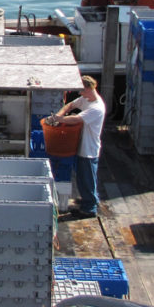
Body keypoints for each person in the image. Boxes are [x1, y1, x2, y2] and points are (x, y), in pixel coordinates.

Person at [50, 75, 106, 218]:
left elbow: (76, 118)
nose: (79, 93)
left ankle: (90, 208)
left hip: (89, 150)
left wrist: (59, 119)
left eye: (81, 90)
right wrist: (58, 115)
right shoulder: (86, 99)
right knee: (84, 178)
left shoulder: (97, 108)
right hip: (82, 146)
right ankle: (90, 200)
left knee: (87, 179)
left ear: (88, 88)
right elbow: (70, 105)